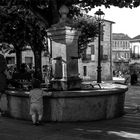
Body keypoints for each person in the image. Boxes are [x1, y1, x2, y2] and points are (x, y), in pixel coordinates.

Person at [0, 46, 8, 115]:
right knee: (1, 94)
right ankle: (2, 111)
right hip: (1, 79)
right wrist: (9, 76)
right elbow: (4, 69)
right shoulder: (1, 57)